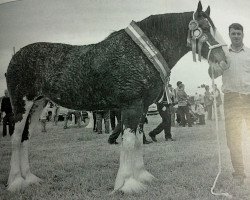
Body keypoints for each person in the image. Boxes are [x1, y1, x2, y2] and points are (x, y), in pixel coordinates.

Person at [208, 23, 249, 184]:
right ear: (229, 35)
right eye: (233, 33)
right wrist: (217, 66)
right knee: (233, 138)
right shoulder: (223, 54)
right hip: (231, 100)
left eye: (239, 33)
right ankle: (239, 173)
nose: (236, 36)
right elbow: (212, 73)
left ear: (243, 34)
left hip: (249, 98)